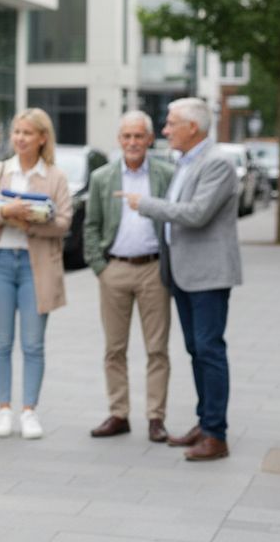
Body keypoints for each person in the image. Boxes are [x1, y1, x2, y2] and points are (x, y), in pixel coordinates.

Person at [118, 97, 240, 461]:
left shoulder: (216, 163)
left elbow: (197, 213)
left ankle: (216, 435)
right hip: (184, 274)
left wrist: (145, 204)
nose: (166, 130)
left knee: (209, 351)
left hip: (208, 275)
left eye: (171, 124)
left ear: (193, 128)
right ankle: (205, 423)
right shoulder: (185, 163)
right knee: (196, 351)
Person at [0, 108, 73, 440]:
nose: (20, 138)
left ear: (42, 138)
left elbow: (64, 224)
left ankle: (29, 411)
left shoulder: (55, 176)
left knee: (33, 344)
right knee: (0, 342)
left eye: (27, 133)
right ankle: (4, 409)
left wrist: (30, 222)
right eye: (16, 132)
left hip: (36, 266)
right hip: (0, 262)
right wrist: (7, 211)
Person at [83, 111, 175, 443]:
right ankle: (118, 413)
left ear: (150, 139)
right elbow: (90, 225)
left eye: (139, 136)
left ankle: (155, 417)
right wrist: (100, 267)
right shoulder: (102, 178)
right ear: (119, 140)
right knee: (114, 348)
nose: (133, 143)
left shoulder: (167, 174)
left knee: (157, 348)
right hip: (115, 270)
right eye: (127, 137)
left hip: (154, 269)